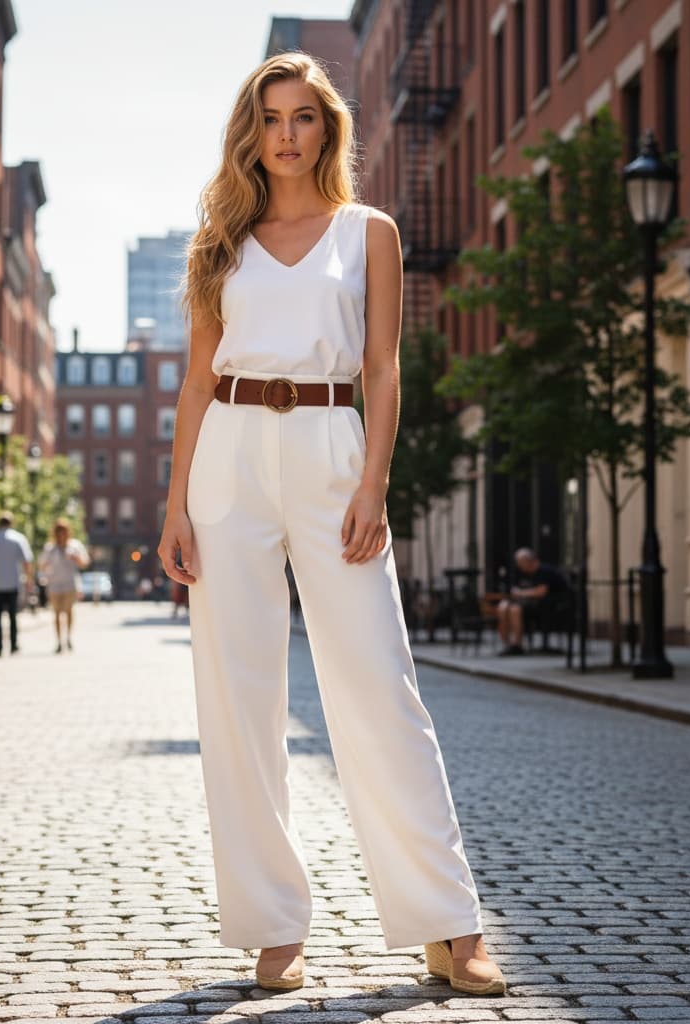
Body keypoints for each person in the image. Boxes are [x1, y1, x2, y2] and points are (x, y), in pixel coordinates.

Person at [156, 53, 505, 997]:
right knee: (239, 697)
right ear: (251, 130)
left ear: (328, 129)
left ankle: (448, 921)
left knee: (378, 683)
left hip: (329, 446)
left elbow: (383, 371)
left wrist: (373, 484)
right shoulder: (220, 241)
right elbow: (196, 381)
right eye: (269, 117)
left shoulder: (371, 233)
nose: (284, 134)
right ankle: (274, 927)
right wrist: (176, 502)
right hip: (228, 455)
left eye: (303, 116)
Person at [497, 547, 571, 656]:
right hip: (529, 604)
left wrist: (521, 593)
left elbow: (541, 592)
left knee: (515, 610)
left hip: (549, 606)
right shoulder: (523, 573)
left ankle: (517, 644)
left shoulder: (545, 571)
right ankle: (508, 644)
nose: (519, 565)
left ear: (528, 561)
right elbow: (516, 590)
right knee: (502, 607)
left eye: (520, 562)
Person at [0, 511, 33, 657]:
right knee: (12, 616)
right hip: (12, 583)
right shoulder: (18, 539)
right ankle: (14, 645)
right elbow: (27, 562)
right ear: (11, 523)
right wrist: (29, 580)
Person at [39, 518, 90, 653]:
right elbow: (42, 565)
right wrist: (47, 566)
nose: (61, 534)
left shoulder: (75, 546)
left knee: (68, 611)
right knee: (56, 613)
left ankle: (68, 637)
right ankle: (58, 641)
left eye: (64, 531)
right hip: (54, 585)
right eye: (59, 531)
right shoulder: (50, 548)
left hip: (70, 584)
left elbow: (85, 563)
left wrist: (76, 558)